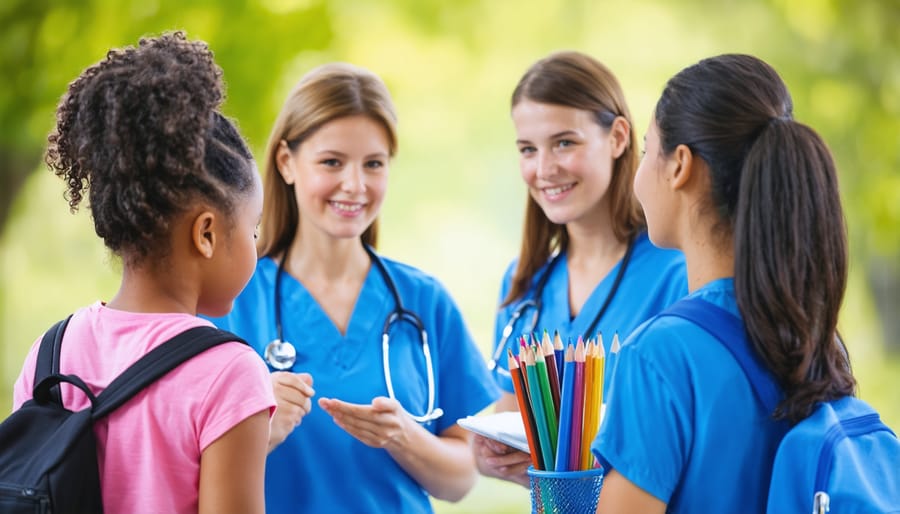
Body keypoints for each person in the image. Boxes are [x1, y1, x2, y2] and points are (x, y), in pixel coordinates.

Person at [206, 62, 500, 514]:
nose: (355, 185)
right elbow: (175, 460)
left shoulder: (424, 300)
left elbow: (461, 478)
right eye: (332, 162)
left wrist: (404, 436)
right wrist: (253, 430)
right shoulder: (227, 300)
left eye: (374, 164)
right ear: (286, 162)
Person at [11, 32, 275, 514]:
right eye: (253, 229)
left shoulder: (50, 353)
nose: (257, 245)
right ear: (207, 234)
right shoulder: (231, 375)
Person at [591, 54, 857, 513]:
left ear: (679, 166)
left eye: (645, 151)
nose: (636, 177)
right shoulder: (816, 340)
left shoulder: (659, 355)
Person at [473, 51, 687, 487]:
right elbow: (510, 419)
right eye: (528, 150)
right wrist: (491, 457)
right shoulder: (524, 287)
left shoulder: (677, 272)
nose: (544, 169)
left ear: (618, 137)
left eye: (564, 143)